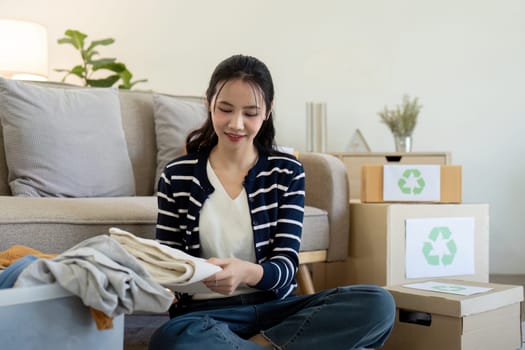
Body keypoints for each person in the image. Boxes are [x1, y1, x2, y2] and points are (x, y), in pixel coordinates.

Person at [149, 54, 395, 350]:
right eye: (225, 109)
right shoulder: (177, 175)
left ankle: (259, 345)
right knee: (171, 339)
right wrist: (192, 276)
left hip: (276, 314)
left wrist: (247, 272)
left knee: (377, 303)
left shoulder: (286, 171)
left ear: (267, 111)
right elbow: (168, 265)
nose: (236, 124)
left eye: (250, 113)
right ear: (209, 102)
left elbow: (286, 265)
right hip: (205, 317)